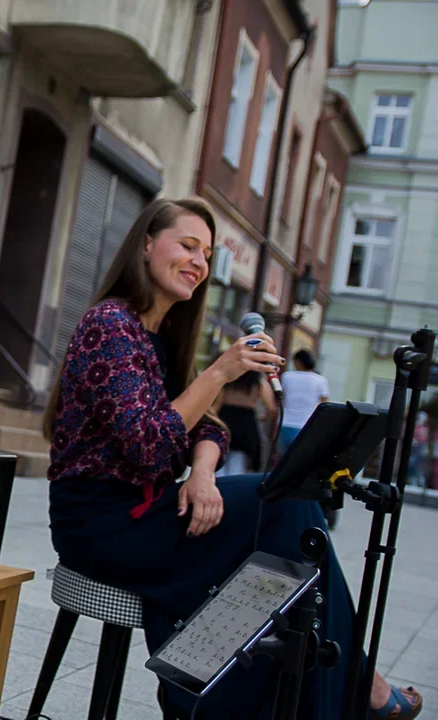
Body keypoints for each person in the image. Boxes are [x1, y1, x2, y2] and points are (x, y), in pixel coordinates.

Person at [44, 197, 423, 720]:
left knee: (292, 529)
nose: (199, 262)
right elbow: (148, 444)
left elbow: (208, 427)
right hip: (100, 524)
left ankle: (303, 690)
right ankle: (351, 689)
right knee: (290, 508)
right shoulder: (111, 324)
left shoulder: (161, 335)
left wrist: (201, 474)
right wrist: (219, 372)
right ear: (147, 245)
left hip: (149, 512)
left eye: (207, 252)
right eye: (187, 245)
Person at [214, 370, 276, 476]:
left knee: (219, 461)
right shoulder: (259, 383)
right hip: (246, 424)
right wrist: (265, 418)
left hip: (225, 419)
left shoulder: (229, 378)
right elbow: (271, 408)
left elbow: (217, 404)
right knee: (238, 464)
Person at [278, 348, 331, 455]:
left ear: (297, 362)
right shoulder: (321, 380)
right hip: (306, 425)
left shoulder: (286, 376)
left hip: (285, 423)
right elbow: (325, 405)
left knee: (282, 462)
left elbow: (280, 399)